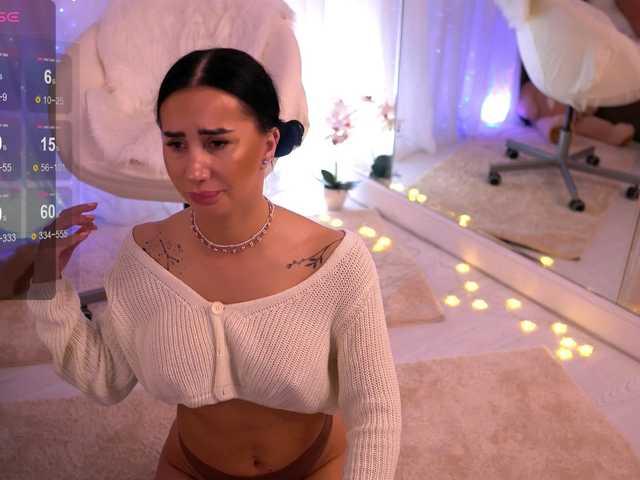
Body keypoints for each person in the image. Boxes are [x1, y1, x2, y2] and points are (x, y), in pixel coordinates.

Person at [26, 48, 402, 480]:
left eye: (217, 142)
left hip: (315, 464)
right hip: (192, 466)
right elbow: (104, 377)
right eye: (176, 144)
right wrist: (44, 278)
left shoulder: (335, 262)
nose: (193, 169)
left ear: (268, 144)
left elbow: (376, 410)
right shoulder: (145, 258)